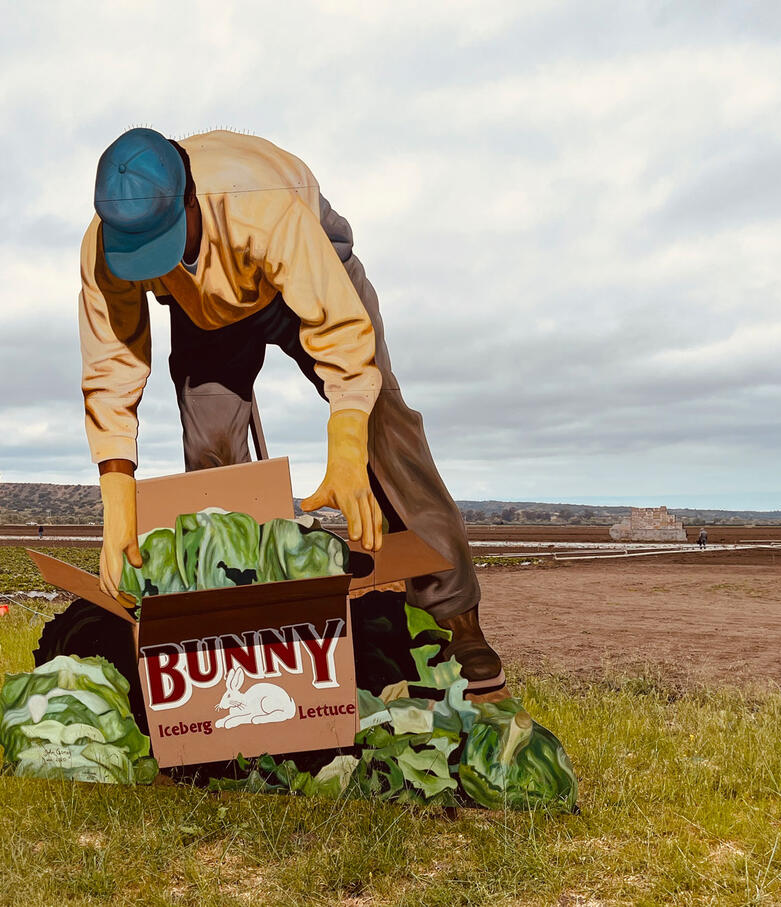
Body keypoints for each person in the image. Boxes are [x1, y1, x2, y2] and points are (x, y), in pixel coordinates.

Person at [80, 128, 504, 694]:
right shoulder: (106, 242)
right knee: (211, 456)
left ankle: (456, 619)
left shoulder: (261, 208)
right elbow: (111, 363)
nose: (150, 266)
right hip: (206, 310)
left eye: (161, 247)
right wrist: (117, 500)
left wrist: (347, 445)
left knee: (384, 427)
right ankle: (245, 631)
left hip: (311, 271)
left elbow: (340, 332)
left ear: (190, 202)